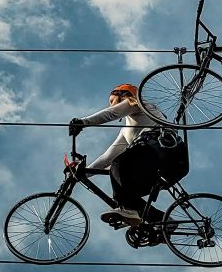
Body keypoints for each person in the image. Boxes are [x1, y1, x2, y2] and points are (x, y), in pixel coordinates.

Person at [68, 84, 187, 226]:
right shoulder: (127, 130)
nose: (112, 105)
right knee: (126, 193)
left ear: (123, 95)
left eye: (112, 101)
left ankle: (127, 210)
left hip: (163, 151)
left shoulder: (136, 104)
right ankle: (163, 222)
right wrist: (83, 173)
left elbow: (110, 114)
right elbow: (108, 157)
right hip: (170, 163)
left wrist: (82, 122)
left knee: (119, 165)